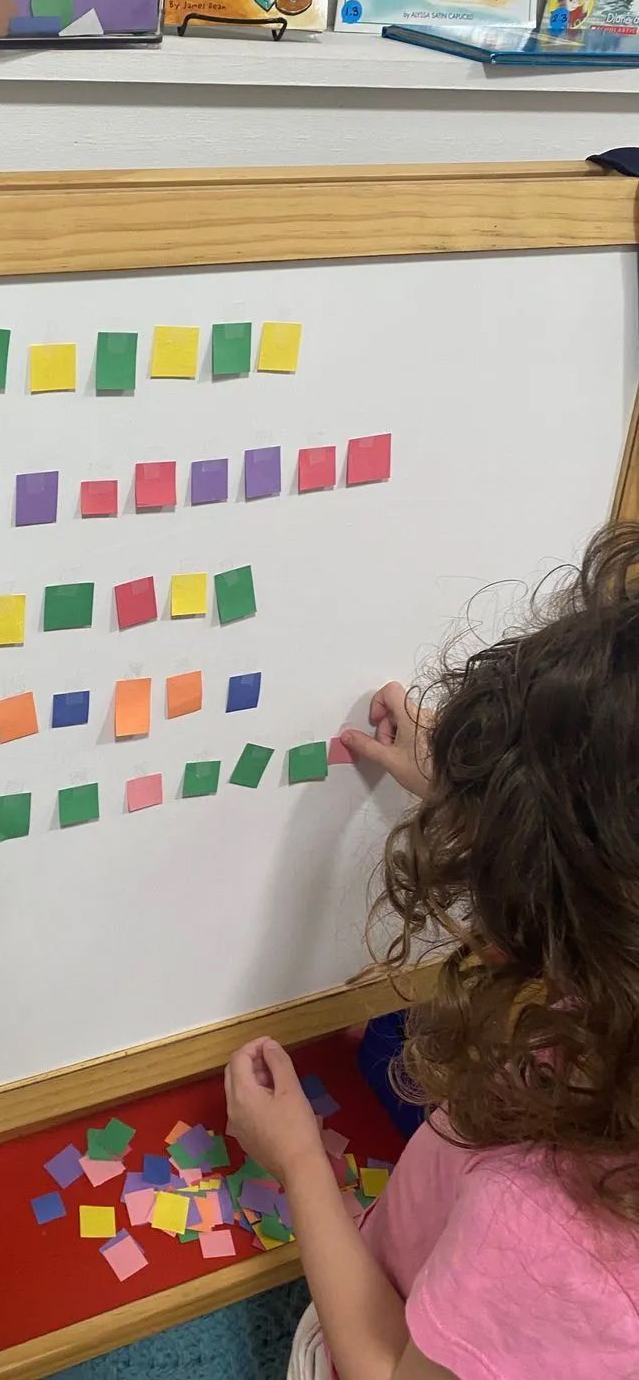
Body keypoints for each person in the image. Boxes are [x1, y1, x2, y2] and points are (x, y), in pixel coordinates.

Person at [225, 525, 639, 1379]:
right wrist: (474, 795)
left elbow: (382, 1365)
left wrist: (303, 1166)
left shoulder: (535, 1231)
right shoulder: (618, 986)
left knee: (395, 1050)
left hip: (400, 1333)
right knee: (389, 1045)